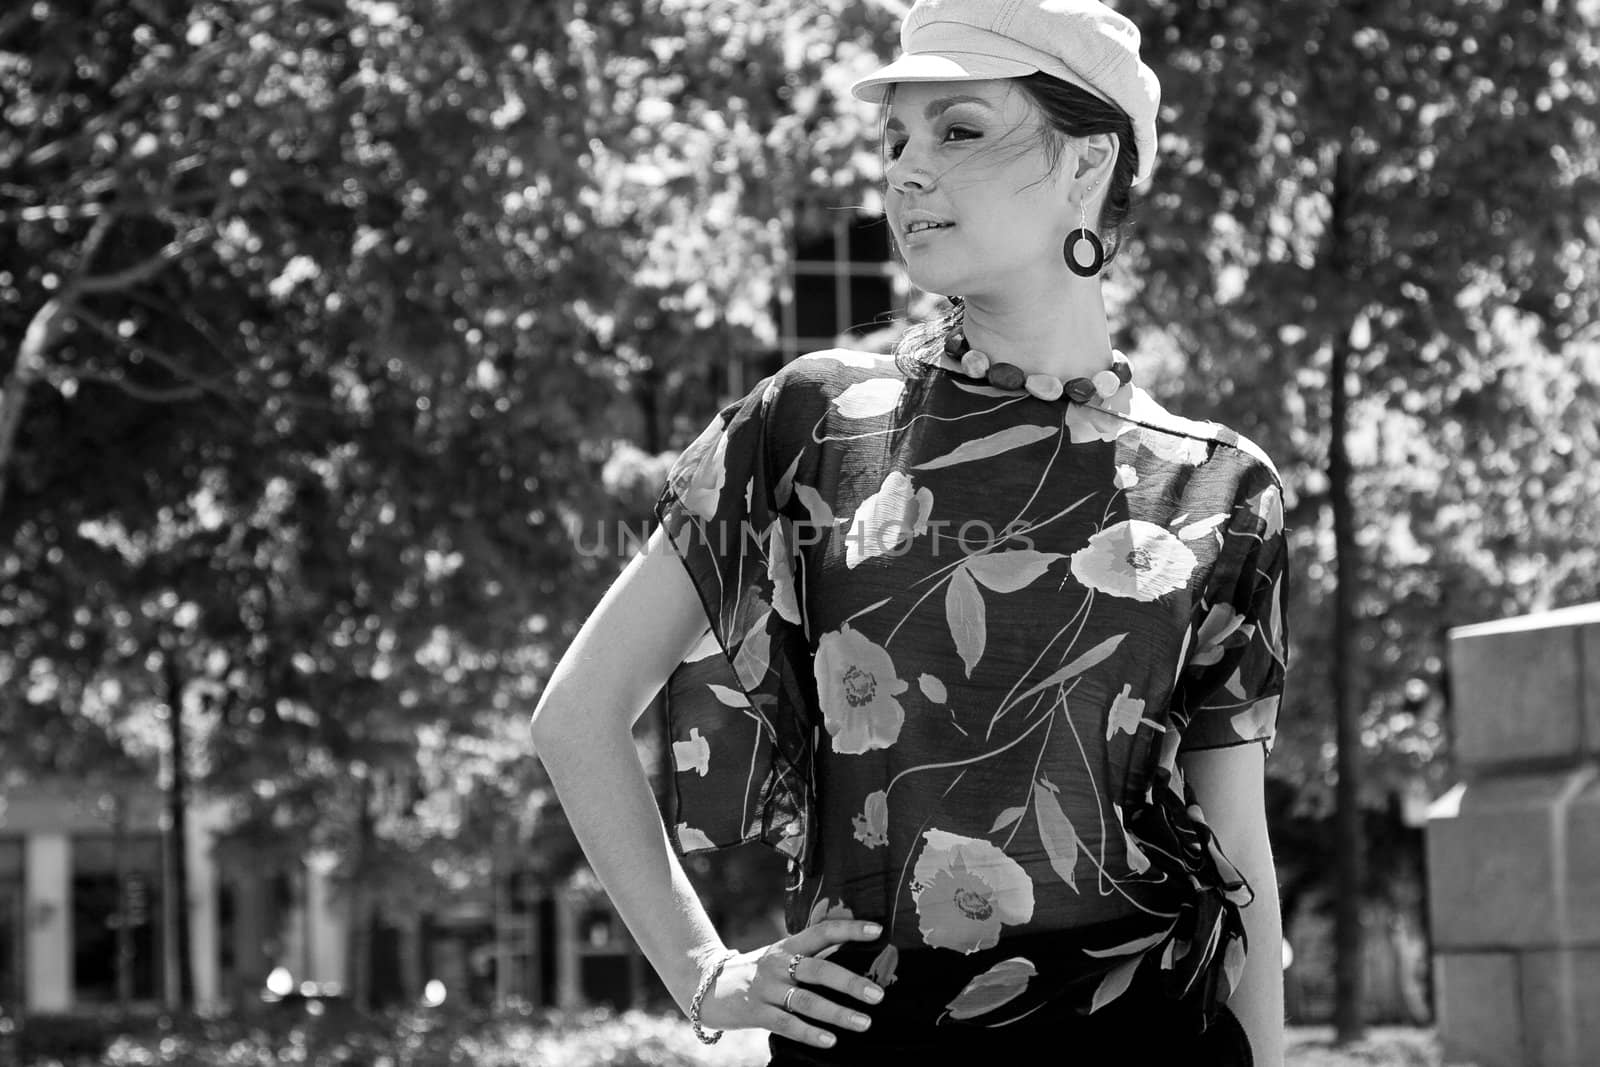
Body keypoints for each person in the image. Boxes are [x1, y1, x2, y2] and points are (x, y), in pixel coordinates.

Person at [529, 0, 1291, 1063]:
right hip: (874, 1034)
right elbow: (576, 714)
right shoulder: (808, 420)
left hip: (1150, 1031)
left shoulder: (1220, 485)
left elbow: (1236, 848)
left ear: (1089, 162)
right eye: (894, 140)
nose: (902, 171)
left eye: (958, 130)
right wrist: (706, 972)